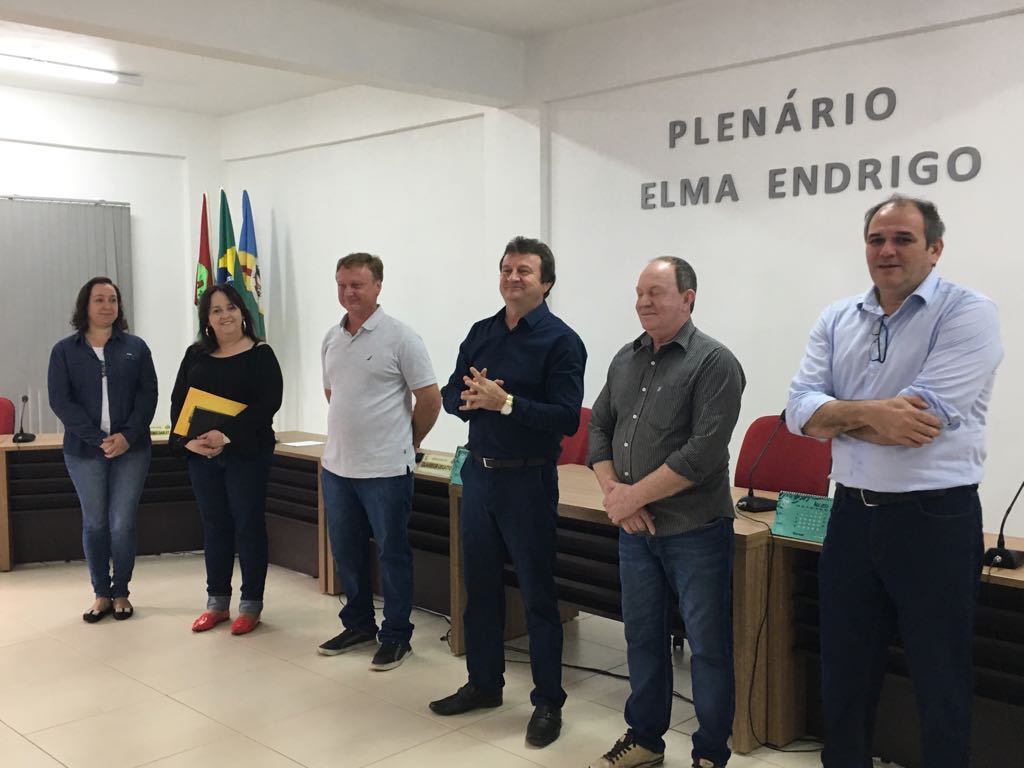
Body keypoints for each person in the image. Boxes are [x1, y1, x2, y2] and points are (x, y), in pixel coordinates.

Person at [786, 195, 1002, 767]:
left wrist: (838, 415)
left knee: (939, 671)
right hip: (852, 513)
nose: (887, 250)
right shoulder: (837, 317)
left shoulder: (967, 312)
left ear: (934, 249)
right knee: (845, 667)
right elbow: (797, 411)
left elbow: (922, 418)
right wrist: (871, 415)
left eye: (903, 239)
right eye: (877, 239)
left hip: (935, 517)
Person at [587, 258, 745, 768]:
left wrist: (634, 498)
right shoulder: (624, 359)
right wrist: (615, 492)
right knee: (641, 636)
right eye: (639, 293)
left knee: (708, 647)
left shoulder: (714, 362)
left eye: (656, 292)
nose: (643, 302)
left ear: (689, 297)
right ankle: (647, 741)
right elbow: (599, 430)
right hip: (635, 530)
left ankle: (710, 755)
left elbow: (702, 454)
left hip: (695, 529)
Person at [429, 236, 586, 748]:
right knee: (479, 587)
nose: (513, 277)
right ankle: (483, 683)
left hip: (528, 479)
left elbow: (565, 419)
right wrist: (468, 400)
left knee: (538, 595)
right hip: (479, 475)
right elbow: (452, 392)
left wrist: (507, 404)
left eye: (524, 271)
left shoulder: (562, 342)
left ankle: (547, 702)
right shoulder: (482, 332)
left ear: (546, 283)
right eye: (507, 269)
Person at [316, 252, 441, 670]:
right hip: (338, 468)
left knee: (392, 552)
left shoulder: (401, 337)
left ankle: (396, 635)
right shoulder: (331, 338)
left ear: (378, 286)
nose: (348, 292)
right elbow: (334, 396)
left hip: (386, 469)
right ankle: (358, 624)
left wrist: (409, 440)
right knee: (347, 551)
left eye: (357, 284)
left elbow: (429, 398)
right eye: (341, 284)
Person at [170, 283, 283, 636]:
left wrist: (226, 435)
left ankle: (251, 605)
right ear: (207, 318)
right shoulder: (195, 355)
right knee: (215, 526)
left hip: (247, 455)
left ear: (243, 313)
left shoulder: (261, 354)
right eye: (216, 310)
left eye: (231, 307)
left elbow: (268, 404)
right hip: (201, 457)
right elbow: (178, 401)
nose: (225, 315)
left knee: (248, 525)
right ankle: (217, 602)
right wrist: (188, 442)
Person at [48, 277, 158, 623]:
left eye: (113, 299)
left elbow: (148, 394)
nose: (107, 305)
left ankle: (121, 591)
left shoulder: (135, 347)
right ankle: (101, 593)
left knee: (122, 522)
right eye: (99, 299)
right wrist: (97, 438)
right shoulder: (65, 351)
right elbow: (60, 401)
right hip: (84, 451)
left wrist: (127, 435)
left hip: (132, 449)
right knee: (95, 522)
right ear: (86, 306)